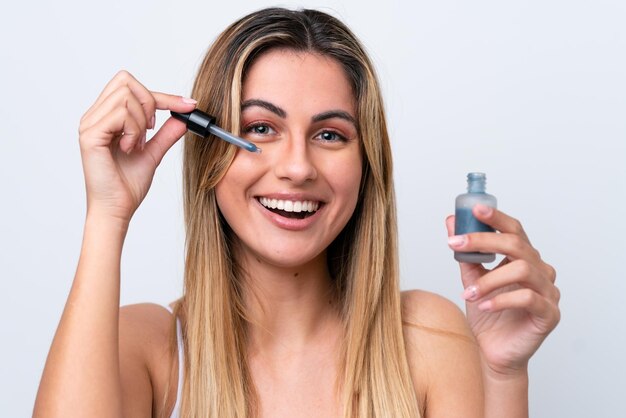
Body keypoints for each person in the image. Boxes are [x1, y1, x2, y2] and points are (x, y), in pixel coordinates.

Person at [33, 7, 560, 418]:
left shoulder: (426, 339)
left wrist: (502, 375)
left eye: (330, 135)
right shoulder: (147, 349)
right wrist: (107, 215)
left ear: (366, 164)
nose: (298, 167)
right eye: (261, 127)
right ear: (210, 152)